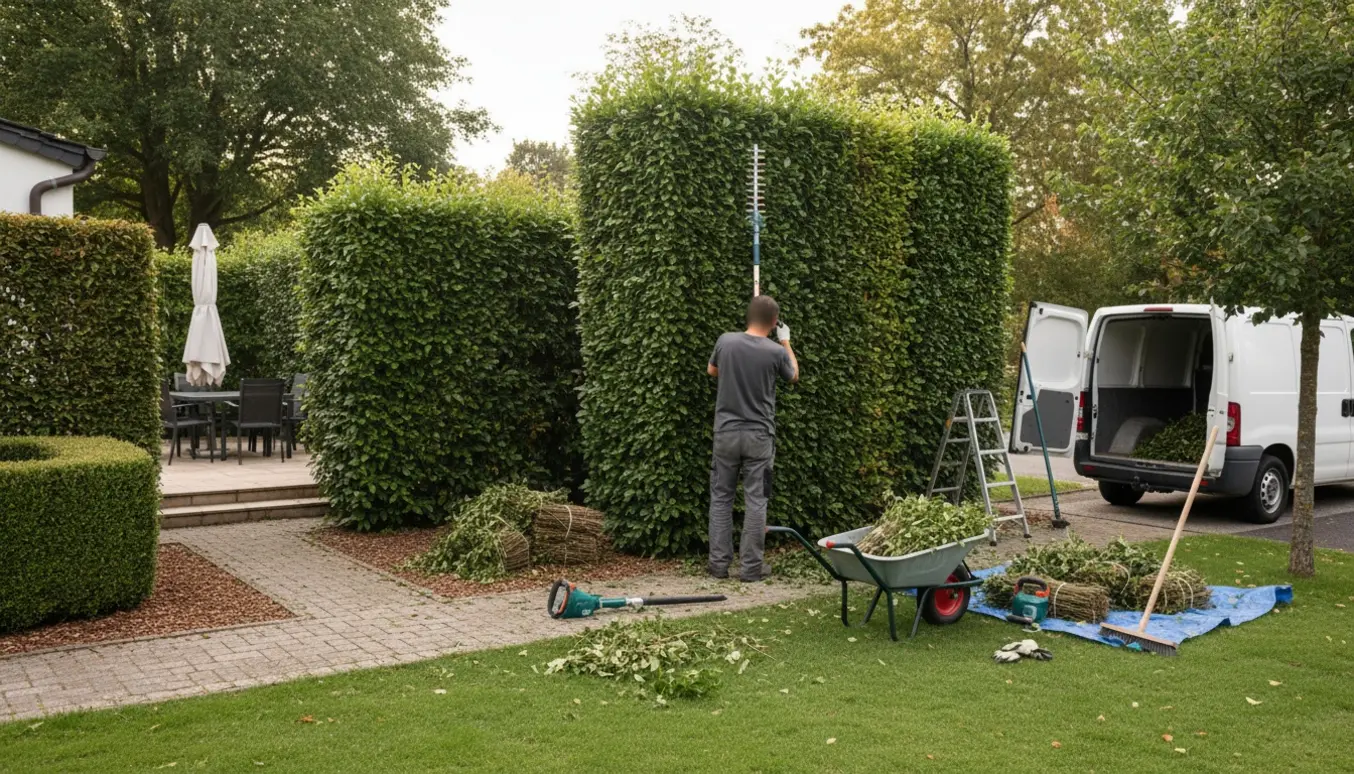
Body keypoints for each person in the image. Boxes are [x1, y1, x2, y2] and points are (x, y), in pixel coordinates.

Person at [706, 295, 799, 582]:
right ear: (774, 323)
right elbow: (793, 375)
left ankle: (718, 566)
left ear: (748, 316)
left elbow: (712, 371)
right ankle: (750, 569)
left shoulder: (725, 341)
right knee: (756, 501)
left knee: (721, 498)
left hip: (726, 433)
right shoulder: (775, 351)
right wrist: (785, 341)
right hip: (759, 436)